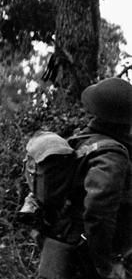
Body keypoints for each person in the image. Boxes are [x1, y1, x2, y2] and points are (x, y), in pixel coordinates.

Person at [40, 77, 132, 279]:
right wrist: (106, 265)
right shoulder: (112, 155)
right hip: (84, 255)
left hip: (62, 241)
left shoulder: (81, 141)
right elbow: (98, 212)